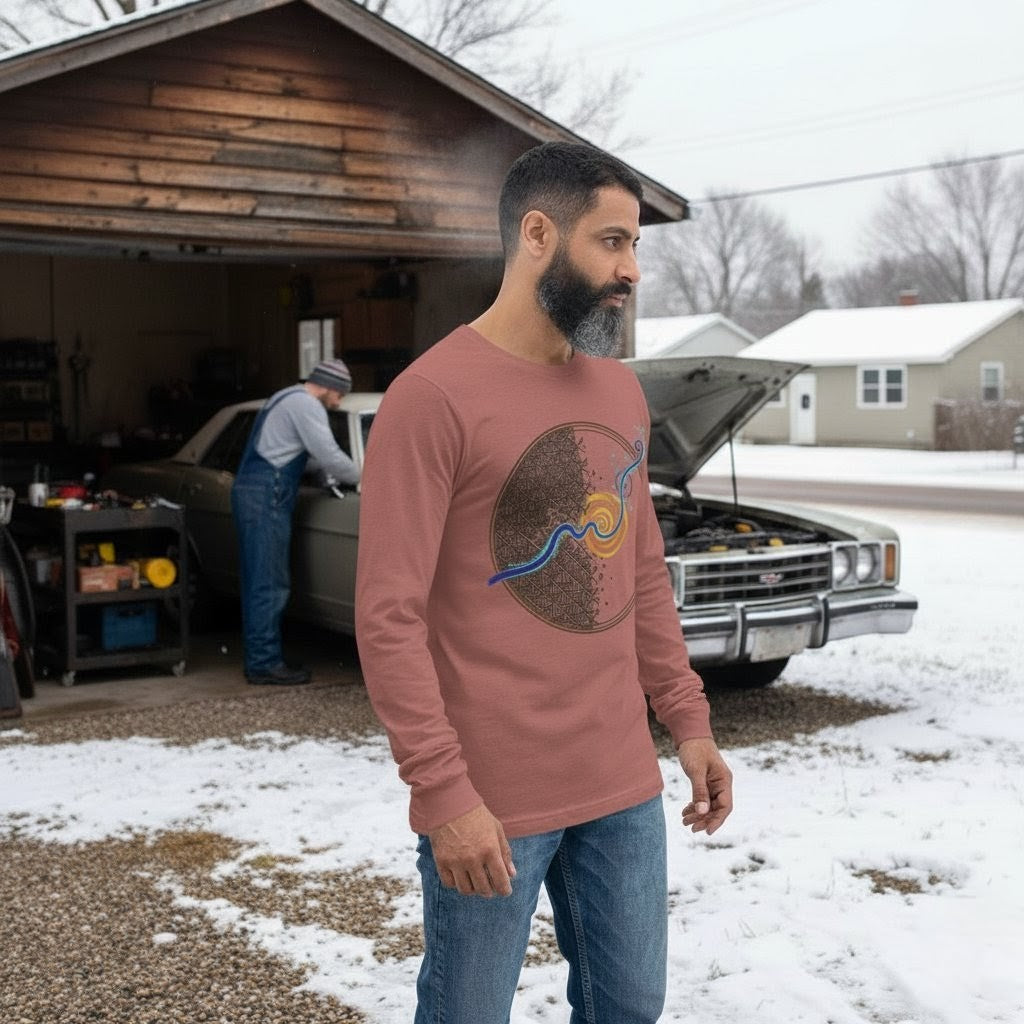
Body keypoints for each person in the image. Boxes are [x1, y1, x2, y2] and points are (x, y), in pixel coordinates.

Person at [355, 141, 733, 1022]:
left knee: (630, 1009)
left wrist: (689, 722)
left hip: (621, 783)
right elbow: (388, 617)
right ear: (537, 235)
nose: (631, 270)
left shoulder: (619, 395)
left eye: (635, 245)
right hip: (492, 796)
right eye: (611, 242)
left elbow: (639, 576)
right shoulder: (433, 397)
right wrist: (443, 794)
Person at [231, 358, 359, 686]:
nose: (339, 401)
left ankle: (262, 657)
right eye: (340, 394)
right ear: (330, 386)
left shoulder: (286, 396)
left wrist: (321, 470)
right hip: (267, 495)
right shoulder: (307, 406)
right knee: (270, 583)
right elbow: (330, 455)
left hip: (255, 490)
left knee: (259, 579)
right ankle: (263, 663)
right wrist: (367, 475)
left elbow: (297, 453)